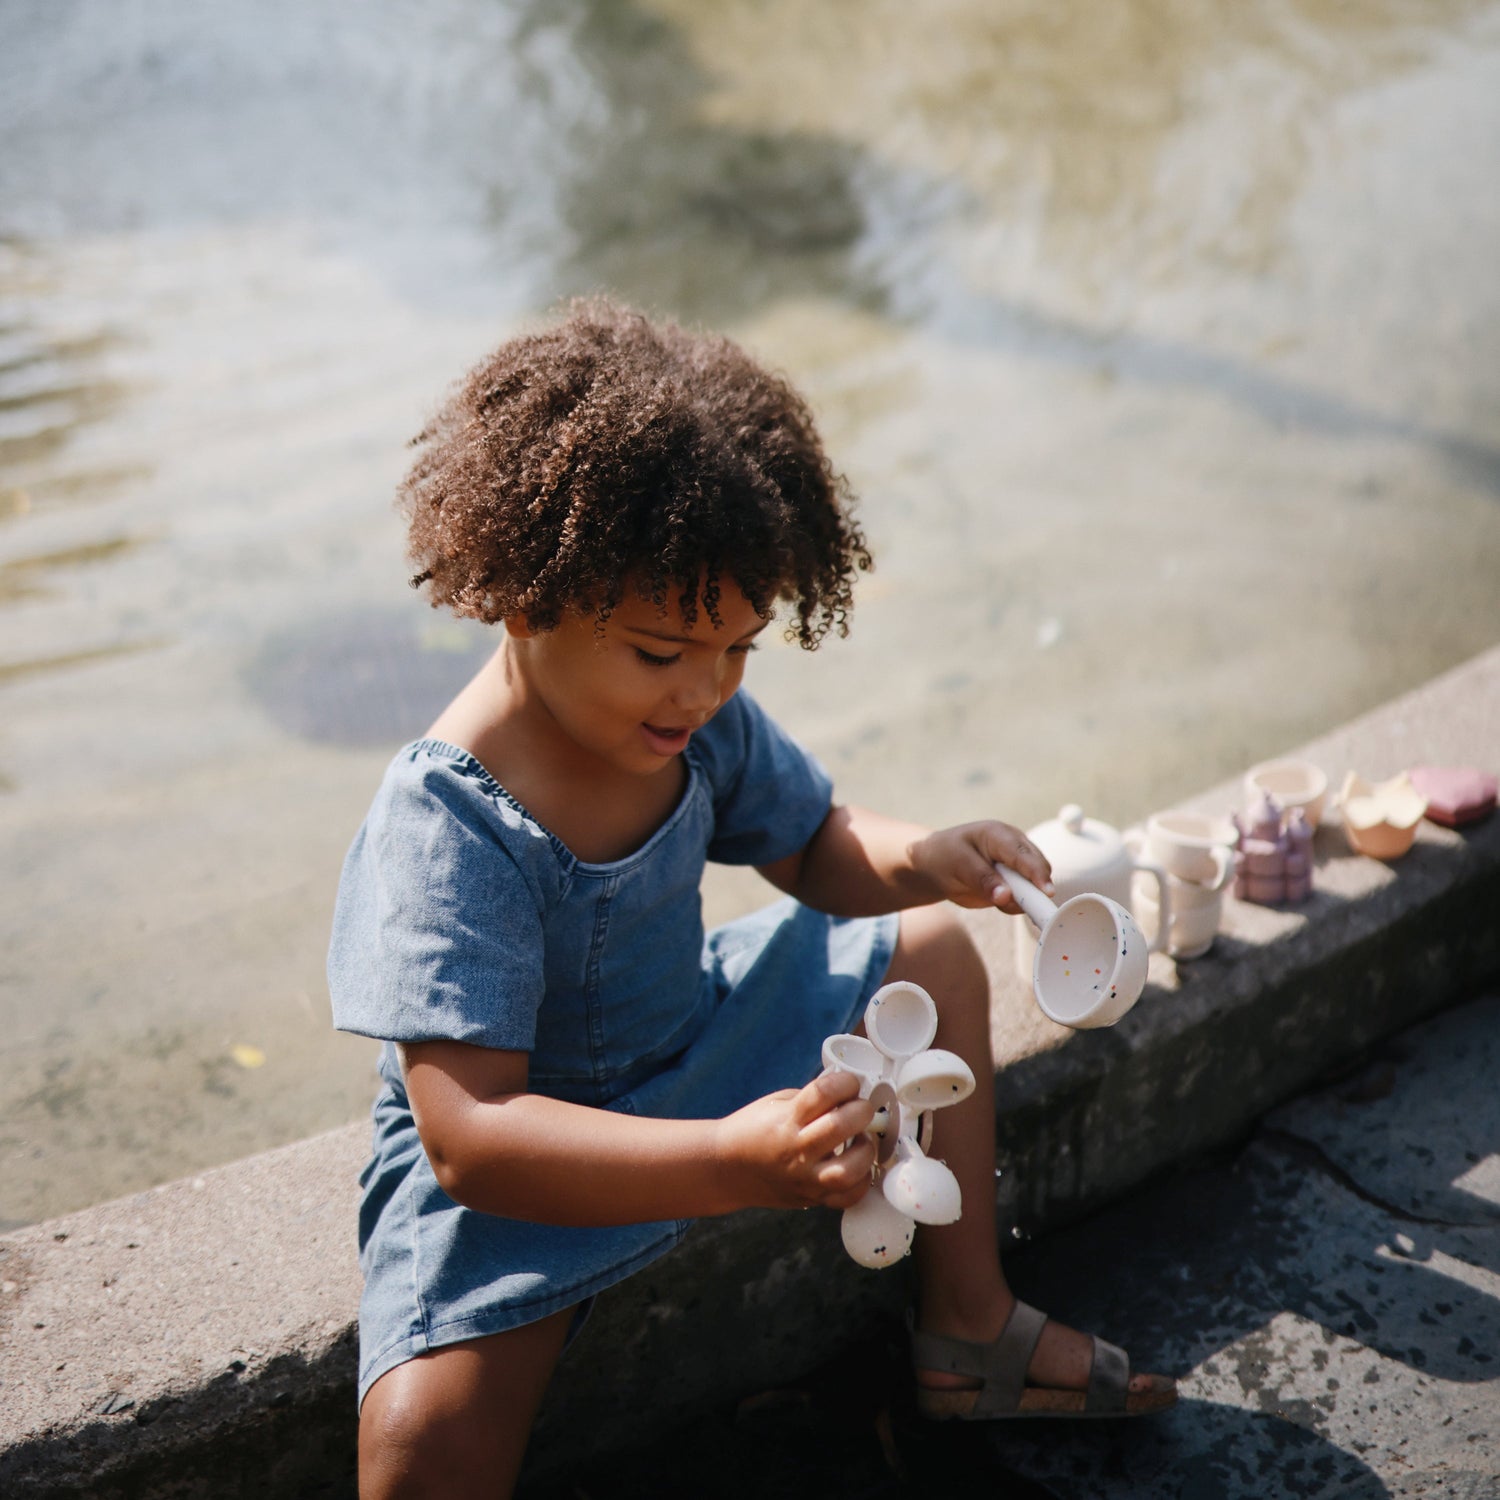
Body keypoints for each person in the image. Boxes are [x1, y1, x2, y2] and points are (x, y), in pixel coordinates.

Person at [329, 299, 1175, 1499]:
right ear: (526, 596)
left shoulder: (689, 717)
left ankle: (969, 1321)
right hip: (541, 1154)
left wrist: (926, 855)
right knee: (421, 1450)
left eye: (740, 649)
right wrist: (733, 1159)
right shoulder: (450, 823)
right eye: (662, 652)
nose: (705, 690)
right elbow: (472, 1139)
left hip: (694, 1040)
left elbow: (815, 843)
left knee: (929, 945)